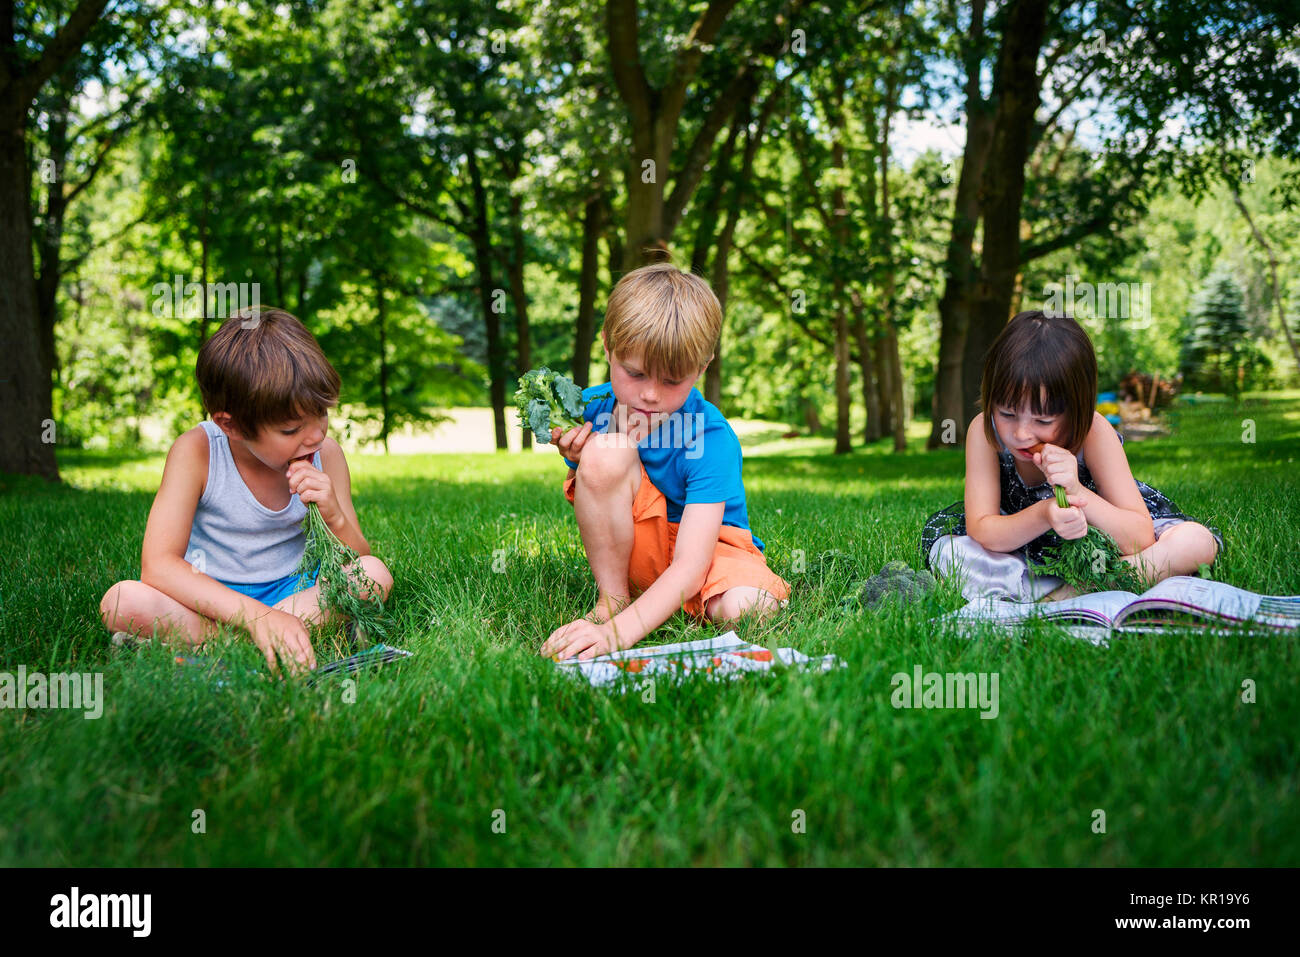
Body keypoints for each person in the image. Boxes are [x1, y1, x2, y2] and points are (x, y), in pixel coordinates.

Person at [99, 308, 393, 672]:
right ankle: (274, 636)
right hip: (211, 599)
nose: (316, 435)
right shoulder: (197, 452)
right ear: (231, 424)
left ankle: (227, 645)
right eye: (291, 430)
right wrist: (257, 618)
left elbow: (356, 561)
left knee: (375, 573)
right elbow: (158, 566)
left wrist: (334, 513)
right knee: (121, 601)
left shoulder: (326, 455)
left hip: (296, 595)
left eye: (322, 415)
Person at [540, 263, 790, 661]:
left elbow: (692, 563)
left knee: (749, 608)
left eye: (672, 381)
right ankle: (614, 600)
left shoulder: (710, 438)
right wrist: (577, 458)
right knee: (605, 451)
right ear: (607, 347)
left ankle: (665, 607)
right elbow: (602, 489)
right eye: (635, 373)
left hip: (710, 551)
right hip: (642, 550)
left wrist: (615, 638)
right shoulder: (592, 407)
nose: (651, 395)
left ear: (702, 367)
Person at [920, 310, 1221, 601]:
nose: (1022, 433)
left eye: (1043, 421)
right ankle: (1087, 586)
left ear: (1075, 410)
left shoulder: (1093, 432)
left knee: (1196, 542)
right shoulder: (984, 433)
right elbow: (983, 529)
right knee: (950, 553)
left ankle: (1082, 587)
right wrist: (1046, 513)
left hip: (1105, 547)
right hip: (1018, 545)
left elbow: (1139, 537)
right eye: (1008, 413)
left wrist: (1077, 492)